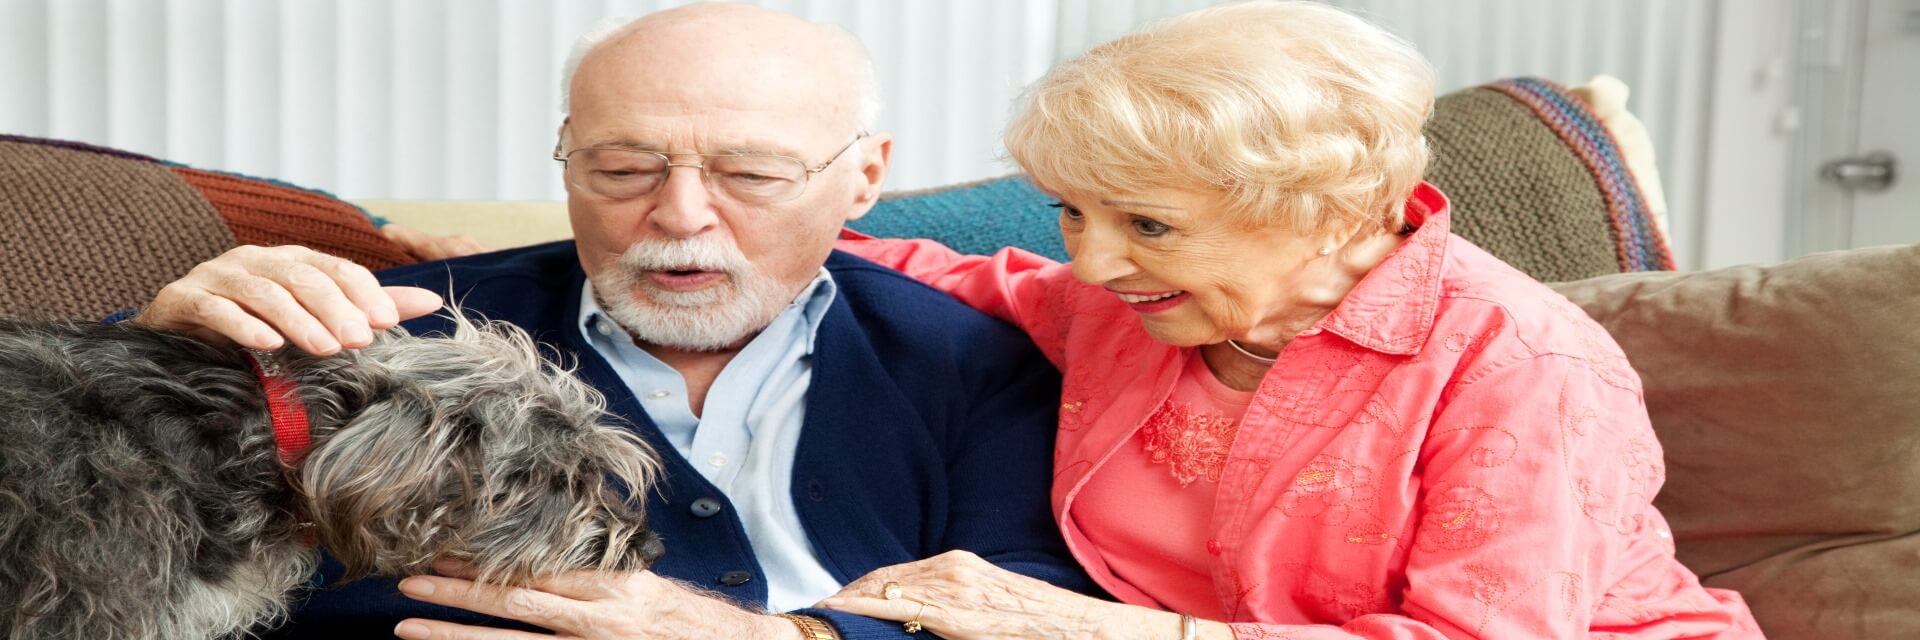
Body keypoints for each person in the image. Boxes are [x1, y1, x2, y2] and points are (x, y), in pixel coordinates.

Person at [132, 4, 1092, 639]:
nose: (679, 215)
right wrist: (154, 353)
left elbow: (1032, 601)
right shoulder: (394, 329)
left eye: (752, 173)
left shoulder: (971, 358)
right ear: (566, 155)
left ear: (865, 177)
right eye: (624, 168)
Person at [820, 2, 1763, 638]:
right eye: (1071, 211)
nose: (1094, 263)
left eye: (1149, 225)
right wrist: (774, 219)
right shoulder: (1117, 306)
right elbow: (945, 276)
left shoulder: (1521, 367)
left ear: (1333, 214)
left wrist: (1093, 627)